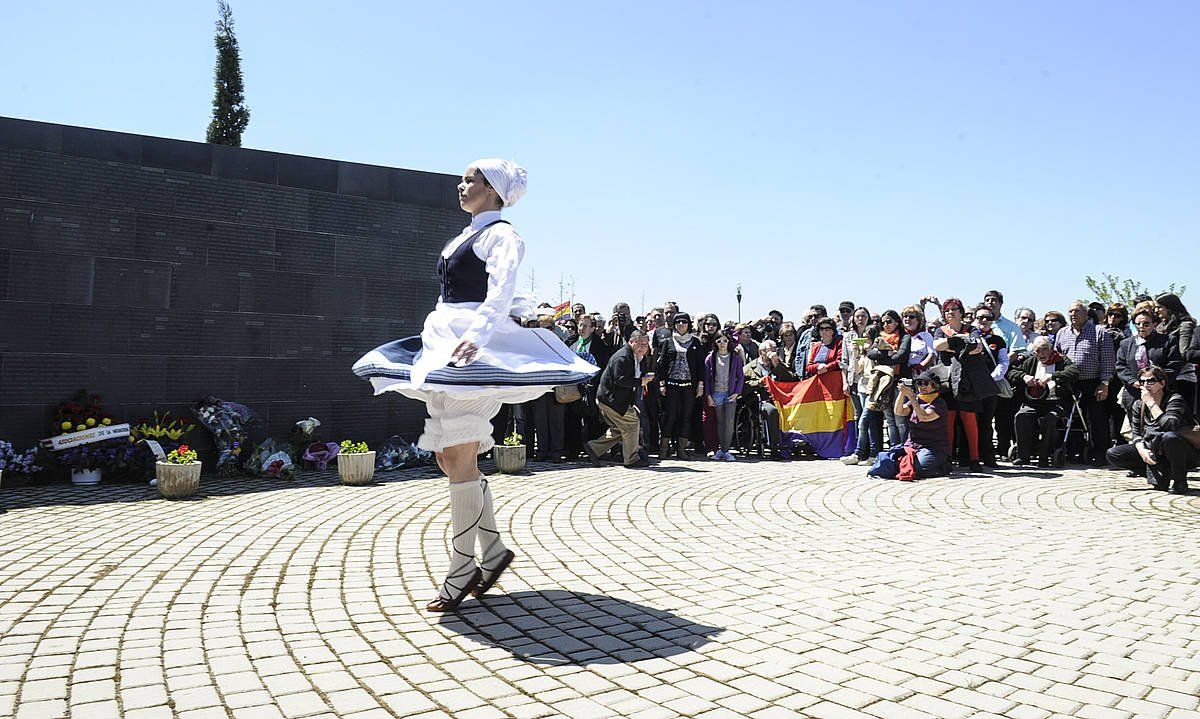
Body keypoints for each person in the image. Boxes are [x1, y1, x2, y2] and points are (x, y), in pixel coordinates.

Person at [353, 159, 597, 612]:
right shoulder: (464, 236)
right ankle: (495, 548)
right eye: (464, 178)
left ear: (495, 191)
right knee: (448, 456)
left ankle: (462, 565)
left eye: (473, 180)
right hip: (447, 346)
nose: (462, 185)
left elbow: (501, 291)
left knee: (460, 455)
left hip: (477, 351)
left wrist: (477, 335)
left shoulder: (503, 235)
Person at [1106, 365, 1198, 494]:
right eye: (1142, 381)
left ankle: (1180, 481)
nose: (1146, 385)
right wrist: (1141, 449)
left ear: (1162, 383)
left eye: (1151, 381)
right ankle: (1161, 474)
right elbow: (1136, 433)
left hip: (1182, 452)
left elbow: (1170, 425)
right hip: (1153, 448)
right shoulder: (1138, 404)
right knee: (1114, 453)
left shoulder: (1175, 399)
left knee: (1169, 437)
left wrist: (1151, 402)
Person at [933, 298, 993, 471]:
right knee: (949, 420)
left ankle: (974, 459)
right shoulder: (940, 330)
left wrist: (952, 344)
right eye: (947, 310)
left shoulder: (971, 329)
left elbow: (977, 347)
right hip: (947, 381)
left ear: (961, 312)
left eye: (954, 309)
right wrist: (961, 343)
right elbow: (938, 345)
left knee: (969, 419)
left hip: (967, 381)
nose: (950, 312)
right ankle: (948, 458)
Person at [1055, 300, 1115, 464]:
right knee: (1071, 419)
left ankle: (1101, 454)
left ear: (1086, 314)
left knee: (1097, 420)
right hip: (1069, 384)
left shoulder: (1099, 332)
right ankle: (1075, 452)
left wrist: (1105, 383)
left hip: (1093, 382)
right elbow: (1057, 357)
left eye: (1077, 311)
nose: (1073, 315)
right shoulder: (1062, 333)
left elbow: (1108, 360)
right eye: (1070, 312)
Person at [584, 331, 653, 469]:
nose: (644, 347)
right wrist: (641, 381)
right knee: (632, 423)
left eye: (646, 344)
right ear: (631, 342)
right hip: (610, 400)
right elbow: (620, 380)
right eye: (641, 344)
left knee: (621, 428)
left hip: (617, 399)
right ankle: (632, 459)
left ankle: (593, 448)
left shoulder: (639, 357)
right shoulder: (622, 357)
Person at [1008, 336, 1080, 467]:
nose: (1041, 354)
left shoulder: (1061, 360)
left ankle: (1044, 456)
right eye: (1038, 350)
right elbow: (1012, 372)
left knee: (1049, 419)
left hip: (1056, 402)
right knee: (1021, 416)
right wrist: (1024, 376)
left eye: (1045, 349)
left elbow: (1074, 372)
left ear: (1051, 349)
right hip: (1034, 402)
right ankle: (1023, 456)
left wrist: (1053, 376)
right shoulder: (1031, 361)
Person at [1115, 307, 1180, 418]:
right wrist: (1133, 381)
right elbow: (1121, 366)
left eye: (1146, 324)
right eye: (1137, 324)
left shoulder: (1168, 341)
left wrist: (1156, 382)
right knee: (1136, 429)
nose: (1141, 327)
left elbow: (1174, 364)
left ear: (1154, 324)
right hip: (1134, 393)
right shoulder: (1126, 344)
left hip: (1160, 393)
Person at [657, 312, 706, 459]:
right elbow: (662, 365)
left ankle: (681, 449)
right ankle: (664, 448)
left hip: (689, 386)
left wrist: (700, 385)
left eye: (684, 322)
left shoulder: (696, 342)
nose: (681, 324)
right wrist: (662, 384)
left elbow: (700, 366)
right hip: (672, 385)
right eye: (677, 322)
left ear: (688, 324)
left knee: (686, 417)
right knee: (670, 416)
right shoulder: (668, 342)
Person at [893, 371, 952, 477]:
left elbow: (924, 417)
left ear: (934, 385)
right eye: (919, 383)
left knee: (917, 467)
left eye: (926, 383)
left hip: (933, 447)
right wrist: (902, 393)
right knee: (891, 462)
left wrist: (912, 398)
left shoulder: (939, 403)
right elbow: (899, 411)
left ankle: (942, 467)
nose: (922, 386)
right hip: (912, 445)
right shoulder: (916, 400)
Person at [840, 306, 878, 464]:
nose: (860, 319)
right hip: (853, 379)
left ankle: (869, 452)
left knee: (868, 418)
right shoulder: (848, 336)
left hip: (871, 381)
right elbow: (844, 361)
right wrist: (844, 382)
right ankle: (861, 452)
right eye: (857, 316)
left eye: (863, 316)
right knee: (859, 417)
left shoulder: (874, 334)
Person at [973, 307, 1010, 467]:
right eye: (980, 317)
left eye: (987, 317)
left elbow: (1003, 361)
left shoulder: (998, 341)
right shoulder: (969, 338)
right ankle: (971, 455)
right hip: (972, 387)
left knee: (987, 423)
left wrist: (993, 378)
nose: (984, 320)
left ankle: (988, 456)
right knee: (971, 422)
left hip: (990, 387)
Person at [704, 332, 745, 460]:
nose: (722, 344)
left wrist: (737, 393)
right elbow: (707, 379)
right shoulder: (710, 358)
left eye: (725, 341)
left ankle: (727, 450)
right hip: (716, 393)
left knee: (729, 422)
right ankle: (721, 449)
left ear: (729, 342)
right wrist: (708, 395)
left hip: (730, 393)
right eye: (719, 341)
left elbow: (740, 377)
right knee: (720, 422)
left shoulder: (735, 358)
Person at [745, 339, 789, 458]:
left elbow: (791, 379)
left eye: (775, 350)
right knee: (772, 411)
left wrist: (777, 365)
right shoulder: (750, 367)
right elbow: (744, 387)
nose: (772, 353)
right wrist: (759, 382)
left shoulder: (778, 363)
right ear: (761, 352)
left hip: (781, 398)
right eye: (770, 350)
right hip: (761, 400)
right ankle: (774, 447)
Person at [1156, 292, 1197, 409]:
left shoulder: (1185, 325)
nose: (1156, 310)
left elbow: (1183, 353)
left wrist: (1168, 371)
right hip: (1162, 379)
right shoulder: (1160, 327)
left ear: (1170, 308)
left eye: (1160, 307)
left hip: (1181, 379)